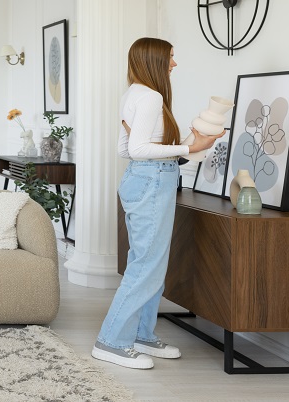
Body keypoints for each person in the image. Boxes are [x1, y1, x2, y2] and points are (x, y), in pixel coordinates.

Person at [92, 37, 225, 369]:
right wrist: (186, 149)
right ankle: (111, 341)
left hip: (146, 178)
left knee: (149, 263)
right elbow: (138, 149)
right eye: (170, 58)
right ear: (155, 60)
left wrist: (189, 145)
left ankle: (141, 334)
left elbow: (127, 149)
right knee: (146, 266)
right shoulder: (150, 97)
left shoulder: (134, 94)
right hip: (151, 180)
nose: (174, 65)